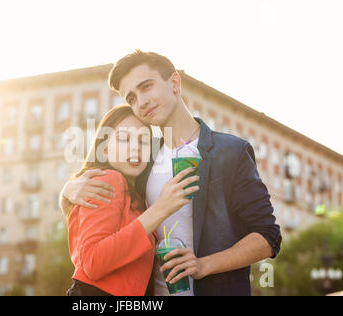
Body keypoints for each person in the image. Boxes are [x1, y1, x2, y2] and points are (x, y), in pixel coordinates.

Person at [60, 50, 282, 296]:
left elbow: (267, 236)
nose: (141, 101)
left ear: (175, 83)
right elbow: (111, 222)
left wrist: (203, 265)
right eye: (131, 98)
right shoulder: (143, 160)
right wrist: (67, 191)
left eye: (146, 87)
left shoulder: (230, 151)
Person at [65, 104, 199, 296]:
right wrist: (161, 209)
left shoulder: (135, 194)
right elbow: (92, 262)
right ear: (103, 151)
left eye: (144, 141)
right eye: (123, 139)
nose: (135, 147)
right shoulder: (109, 179)